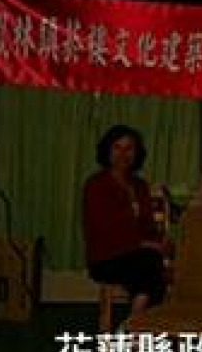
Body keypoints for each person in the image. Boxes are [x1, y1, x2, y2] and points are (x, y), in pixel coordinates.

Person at [82, 125, 166, 317]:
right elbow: (103, 228)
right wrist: (143, 243)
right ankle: (135, 323)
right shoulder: (97, 184)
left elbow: (148, 226)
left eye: (129, 148)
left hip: (139, 255)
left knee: (151, 266)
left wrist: (160, 242)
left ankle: (134, 321)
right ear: (107, 151)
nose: (123, 154)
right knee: (150, 265)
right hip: (107, 257)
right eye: (117, 148)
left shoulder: (140, 185)